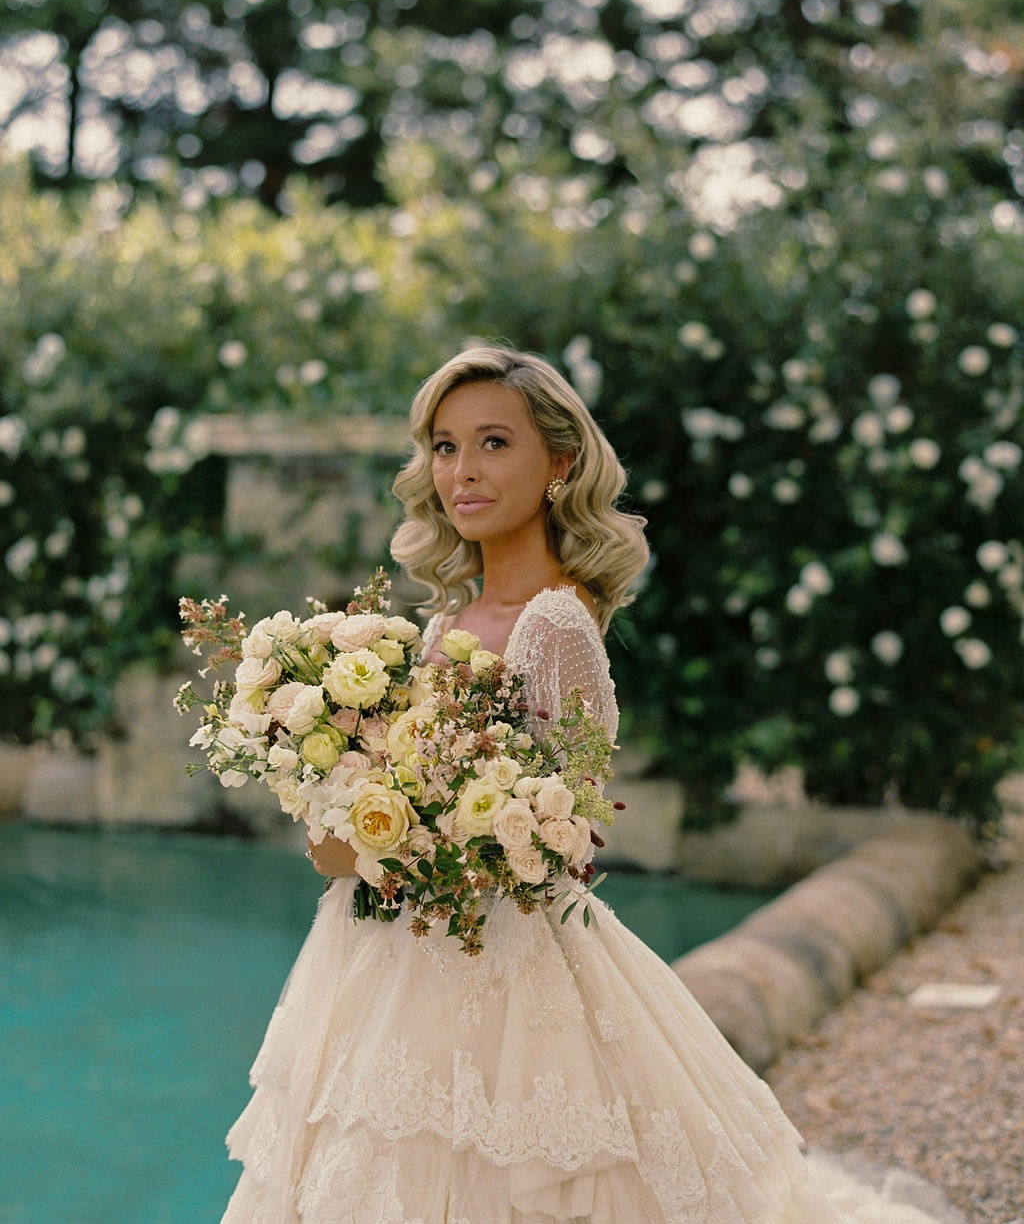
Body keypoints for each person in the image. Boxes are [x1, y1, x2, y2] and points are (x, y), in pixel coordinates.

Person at [221, 344, 948, 1224]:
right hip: (385, 961)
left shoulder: (556, 625)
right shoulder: (442, 622)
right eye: (445, 447)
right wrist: (332, 791)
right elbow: (369, 822)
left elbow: (551, 836)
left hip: (498, 977)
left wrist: (396, 836)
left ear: (559, 464)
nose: (462, 471)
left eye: (494, 443)